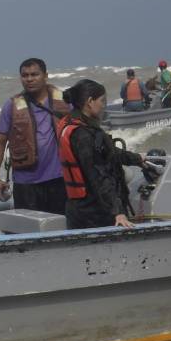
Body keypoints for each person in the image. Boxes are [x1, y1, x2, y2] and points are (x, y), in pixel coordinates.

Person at [56, 79, 146, 229]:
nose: (104, 106)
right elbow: (98, 176)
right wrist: (117, 212)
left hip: (76, 210)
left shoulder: (70, 123)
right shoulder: (84, 135)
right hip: (94, 214)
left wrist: (136, 159)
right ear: (90, 102)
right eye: (102, 101)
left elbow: (107, 152)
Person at [0, 58, 71, 214]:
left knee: (61, 227)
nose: (29, 79)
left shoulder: (65, 101)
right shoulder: (11, 106)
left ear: (45, 75)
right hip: (25, 184)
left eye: (34, 74)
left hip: (60, 180)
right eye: (25, 75)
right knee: (28, 230)